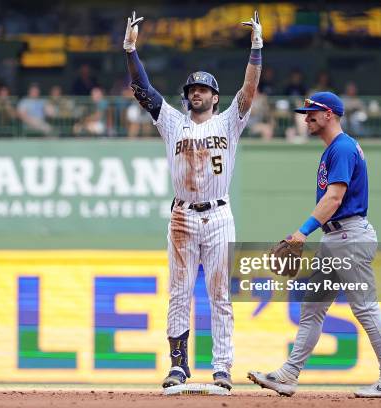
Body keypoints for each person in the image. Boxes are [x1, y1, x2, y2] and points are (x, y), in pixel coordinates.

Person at [123, 10, 262, 390]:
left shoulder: (229, 121)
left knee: (220, 294)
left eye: (202, 89)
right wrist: (130, 50)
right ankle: (179, 366)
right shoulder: (172, 121)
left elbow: (248, 93)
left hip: (219, 213)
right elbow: (144, 91)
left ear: (215, 97)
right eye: (191, 89)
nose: (195, 92)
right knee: (180, 292)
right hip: (183, 214)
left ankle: (222, 368)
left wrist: (256, 49)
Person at [247, 92, 381, 398]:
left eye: (312, 113)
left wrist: (302, 232)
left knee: (365, 307)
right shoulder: (335, 149)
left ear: (330, 114)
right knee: (313, 308)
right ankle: (289, 374)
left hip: (349, 236)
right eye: (306, 113)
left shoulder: (342, 147)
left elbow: (334, 198)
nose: (307, 118)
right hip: (337, 238)